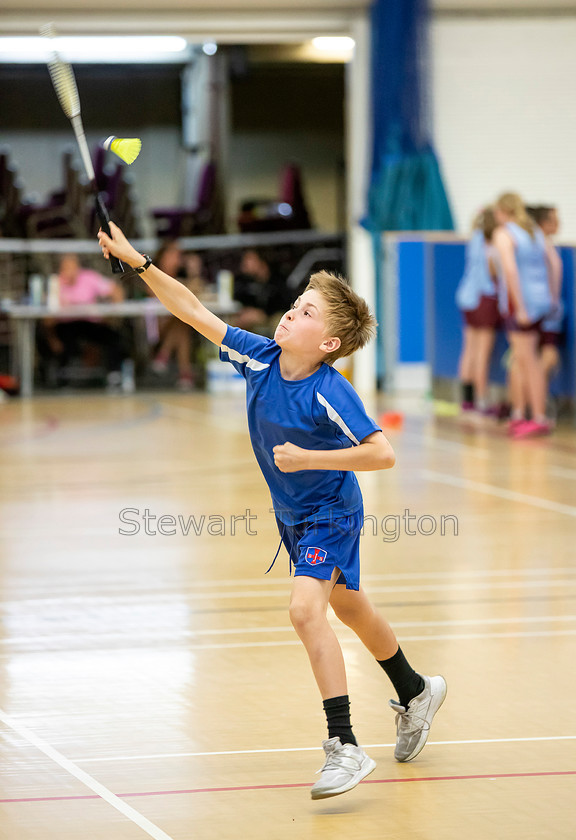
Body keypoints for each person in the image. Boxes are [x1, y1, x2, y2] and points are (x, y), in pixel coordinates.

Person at [98, 221, 447, 801]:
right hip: (294, 515)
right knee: (351, 607)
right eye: (296, 305)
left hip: (330, 512)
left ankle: (345, 745)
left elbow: (382, 453)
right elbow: (190, 309)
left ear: (329, 344)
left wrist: (310, 457)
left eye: (308, 313)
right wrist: (138, 261)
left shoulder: (330, 391)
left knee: (305, 610)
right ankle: (415, 690)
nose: (291, 314)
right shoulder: (258, 357)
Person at [492, 193, 554, 439]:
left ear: (502, 211)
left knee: (527, 361)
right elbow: (554, 264)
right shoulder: (534, 231)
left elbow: (509, 270)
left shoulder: (504, 233)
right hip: (541, 300)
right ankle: (523, 413)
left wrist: (519, 305)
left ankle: (538, 416)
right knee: (525, 359)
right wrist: (551, 295)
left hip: (521, 303)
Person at [42, 253, 127, 390]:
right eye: (66, 267)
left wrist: (113, 311)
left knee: (113, 336)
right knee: (61, 339)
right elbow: (48, 313)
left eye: (72, 266)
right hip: (66, 325)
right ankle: (62, 378)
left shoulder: (89, 277)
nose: (70, 270)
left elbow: (115, 290)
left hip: (89, 323)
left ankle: (115, 375)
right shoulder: (56, 283)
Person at [455, 207, 500, 415]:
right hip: (484, 298)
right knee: (482, 353)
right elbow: (494, 272)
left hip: (466, 297)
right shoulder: (493, 248)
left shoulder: (474, 239)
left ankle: (467, 400)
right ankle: (482, 400)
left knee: (469, 351)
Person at [527, 206, 564, 409]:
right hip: (545, 309)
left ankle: (525, 407)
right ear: (543, 223)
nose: (559, 225)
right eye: (554, 220)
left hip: (541, 307)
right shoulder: (539, 245)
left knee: (530, 359)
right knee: (544, 358)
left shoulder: (538, 244)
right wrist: (552, 305)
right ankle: (533, 406)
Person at [149, 241, 198, 390]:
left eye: (179, 256)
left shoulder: (181, 277)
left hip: (176, 323)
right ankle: (185, 374)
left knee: (182, 321)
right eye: (173, 255)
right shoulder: (151, 273)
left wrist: (193, 273)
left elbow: (195, 292)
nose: (177, 259)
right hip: (155, 327)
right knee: (182, 317)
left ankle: (163, 355)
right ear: (163, 257)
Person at [233, 249, 289, 334]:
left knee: (278, 322)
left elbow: (284, 304)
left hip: (272, 316)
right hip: (251, 317)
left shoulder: (277, 280)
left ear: (261, 262)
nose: (245, 263)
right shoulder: (245, 280)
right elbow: (239, 297)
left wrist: (264, 314)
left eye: (249, 259)